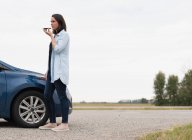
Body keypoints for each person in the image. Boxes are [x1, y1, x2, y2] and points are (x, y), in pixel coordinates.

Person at [39, 14, 70, 131]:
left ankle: (65, 124)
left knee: (62, 97)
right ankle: (52, 122)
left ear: (60, 22)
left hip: (60, 72)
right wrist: (48, 71)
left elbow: (57, 49)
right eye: (50, 21)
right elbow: (52, 57)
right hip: (52, 72)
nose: (51, 23)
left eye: (53, 21)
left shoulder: (64, 36)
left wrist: (51, 36)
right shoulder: (56, 36)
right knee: (47, 95)